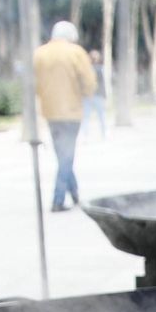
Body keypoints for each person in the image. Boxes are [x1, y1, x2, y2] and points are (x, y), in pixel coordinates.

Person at [32, 21, 97, 212]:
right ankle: (58, 199)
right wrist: (87, 93)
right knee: (66, 156)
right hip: (71, 111)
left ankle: (75, 195)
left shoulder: (39, 53)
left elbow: (33, 82)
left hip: (50, 111)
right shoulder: (76, 52)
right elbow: (89, 81)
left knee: (63, 155)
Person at [85, 50, 107, 139]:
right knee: (100, 116)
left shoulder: (87, 69)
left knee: (87, 117)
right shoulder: (101, 69)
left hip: (91, 96)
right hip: (94, 96)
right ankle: (103, 134)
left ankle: (85, 135)